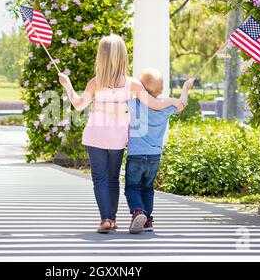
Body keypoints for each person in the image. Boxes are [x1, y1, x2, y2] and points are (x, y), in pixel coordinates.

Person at [58, 34, 185, 234]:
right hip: (117, 138)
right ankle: (114, 218)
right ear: (123, 57)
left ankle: (106, 219)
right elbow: (154, 104)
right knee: (113, 178)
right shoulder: (132, 84)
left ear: (101, 57)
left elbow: (78, 104)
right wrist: (173, 101)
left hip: (95, 136)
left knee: (99, 178)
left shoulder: (95, 82)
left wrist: (67, 84)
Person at [126, 68, 195, 233]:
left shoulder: (134, 103)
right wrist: (186, 87)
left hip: (135, 155)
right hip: (154, 156)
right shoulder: (165, 106)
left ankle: (138, 211)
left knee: (132, 187)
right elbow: (182, 103)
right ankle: (148, 220)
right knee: (148, 187)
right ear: (161, 89)